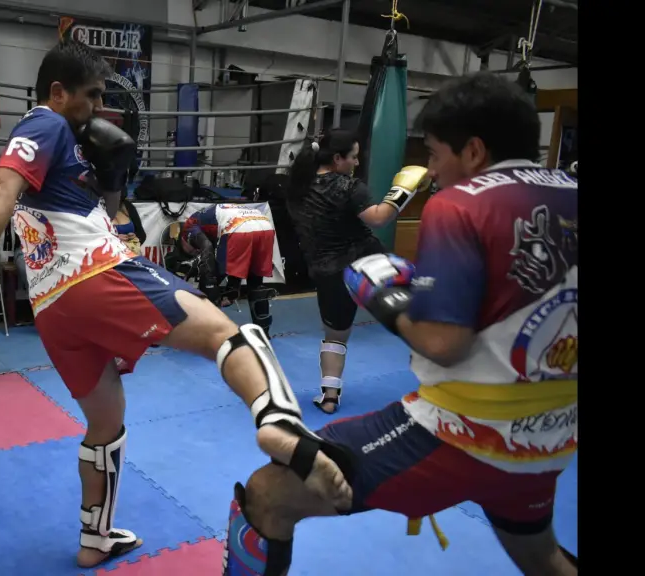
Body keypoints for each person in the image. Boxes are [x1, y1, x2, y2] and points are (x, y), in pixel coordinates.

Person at [0, 38, 353, 570]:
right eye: (93, 96)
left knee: (106, 422)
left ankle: (94, 537)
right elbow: (2, 185)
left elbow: (100, 211)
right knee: (232, 336)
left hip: (53, 307)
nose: (99, 109)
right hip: (94, 273)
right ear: (58, 92)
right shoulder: (45, 122)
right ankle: (285, 426)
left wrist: (113, 178)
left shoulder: (70, 144)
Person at [224, 72, 578, 576]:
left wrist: (388, 299)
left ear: (473, 151)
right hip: (552, 440)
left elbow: (442, 344)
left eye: (434, 154)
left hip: (464, 434)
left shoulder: (462, 204)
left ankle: (329, 393)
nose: (431, 170)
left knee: (267, 494)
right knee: (540, 555)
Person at [287, 130, 431, 414]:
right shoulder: (348, 186)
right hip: (368, 262)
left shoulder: (297, 189)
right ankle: (435, 387)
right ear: (337, 158)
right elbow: (378, 218)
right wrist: (404, 189)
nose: (356, 163)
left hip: (328, 271)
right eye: (352, 157)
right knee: (415, 318)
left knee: (335, 335)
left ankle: (329, 398)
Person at [177, 204, 279, 336]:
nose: (195, 252)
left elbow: (206, 248)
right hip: (265, 226)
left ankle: (208, 331)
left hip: (237, 227)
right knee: (255, 282)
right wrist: (233, 286)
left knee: (212, 275)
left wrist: (208, 281)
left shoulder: (189, 226)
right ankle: (263, 332)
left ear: (183, 239)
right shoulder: (211, 216)